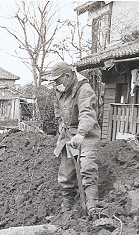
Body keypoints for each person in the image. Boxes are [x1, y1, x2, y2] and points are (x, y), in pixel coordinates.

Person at [43, 61, 102, 219]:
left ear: (67, 76)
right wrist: (62, 125)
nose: (56, 85)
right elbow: (58, 110)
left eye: (57, 80)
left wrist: (81, 134)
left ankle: (92, 207)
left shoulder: (84, 90)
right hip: (68, 135)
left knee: (87, 167)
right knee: (66, 174)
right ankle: (67, 209)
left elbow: (87, 113)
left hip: (86, 133)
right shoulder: (60, 90)